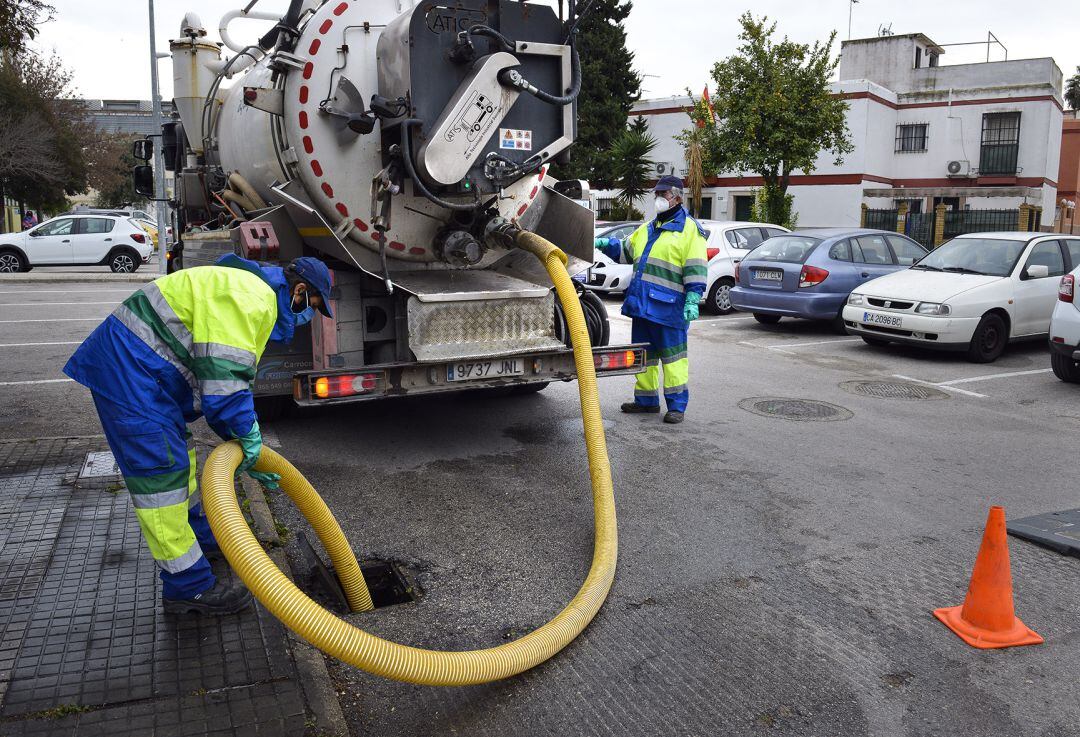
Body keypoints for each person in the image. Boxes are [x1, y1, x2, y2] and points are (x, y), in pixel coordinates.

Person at [63, 254, 334, 615]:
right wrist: (249, 439)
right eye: (312, 306)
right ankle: (187, 588)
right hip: (131, 373)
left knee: (181, 462)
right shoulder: (252, 299)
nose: (308, 317)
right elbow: (225, 390)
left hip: (144, 373)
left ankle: (205, 540)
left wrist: (239, 436)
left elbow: (220, 379)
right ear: (299, 291)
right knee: (162, 479)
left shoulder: (249, 290)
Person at [595, 176, 707, 424]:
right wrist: (604, 244)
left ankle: (677, 406)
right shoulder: (649, 228)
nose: (658, 199)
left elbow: (696, 268)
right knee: (644, 356)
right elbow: (626, 250)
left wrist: (693, 298)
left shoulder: (690, 231)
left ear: (677, 197)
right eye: (656, 194)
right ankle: (646, 401)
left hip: (669, 309)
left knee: (673, 359)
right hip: (643, 307)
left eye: (663, 194)